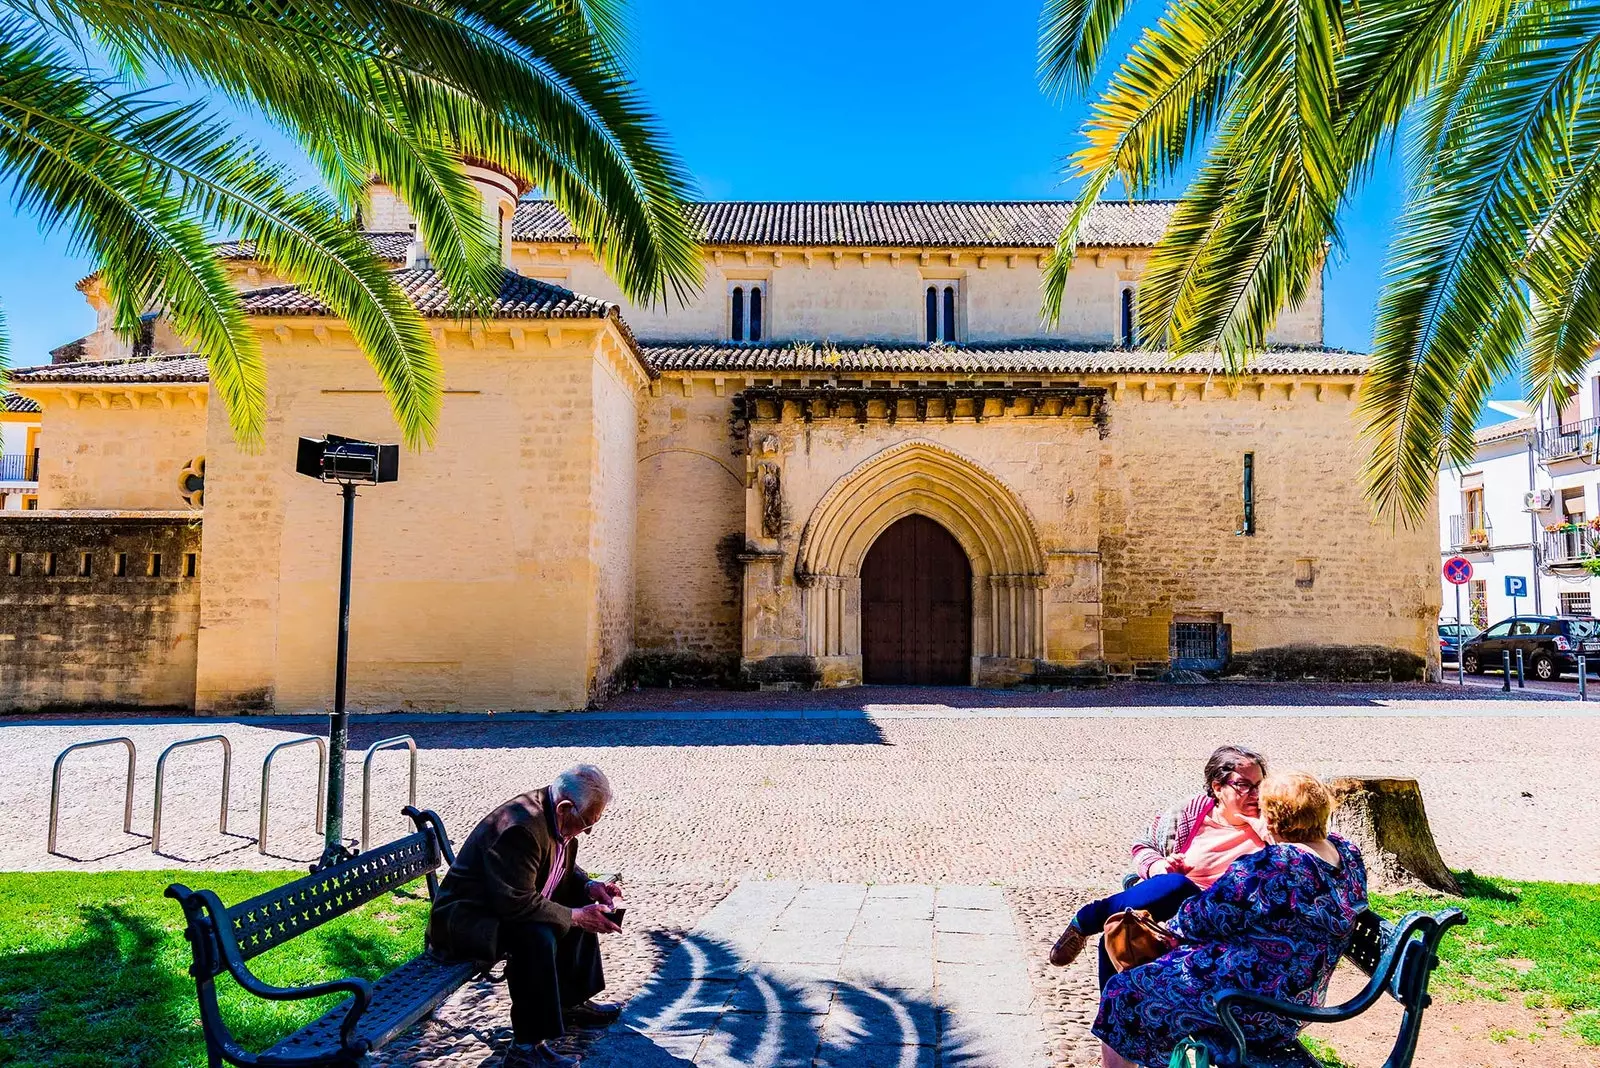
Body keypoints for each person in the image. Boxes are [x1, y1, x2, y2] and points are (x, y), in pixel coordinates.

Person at [1093, 771, 1369, 1068]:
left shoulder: (1274, 865)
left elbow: (1197, 918)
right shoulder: (1346, 853)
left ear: (1271, 817)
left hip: (1250, 1004)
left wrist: (1170, 929)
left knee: (1122, 992)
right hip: (1300, 997)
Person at [428, 764, 626, 1067]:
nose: (587, 832)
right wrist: (576, 916)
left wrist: (589, 886)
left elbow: (556, 866)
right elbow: (517, 904)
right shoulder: (522, 828)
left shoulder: (552, 815)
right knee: (536, 934)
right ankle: (526, 1047)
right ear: (565, 808)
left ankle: (570, 1002)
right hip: (465, 922)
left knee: (575, 902)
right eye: (587, 823)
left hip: (500, 911)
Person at [1050, 745, 1269, 987]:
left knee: (1179, 886)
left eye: (1259, 785)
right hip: (1174, 911)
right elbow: (1143, 845)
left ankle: (1086, 919)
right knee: (1119, 932)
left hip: (1228, 916)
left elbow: (1303, 859)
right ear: (1218, 787)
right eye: (1244, 785)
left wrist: (1269, 832)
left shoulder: (1274, 822)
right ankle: (1109, 1019)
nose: (1255, 794)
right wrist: (1158, 867)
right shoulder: (1192, 811)